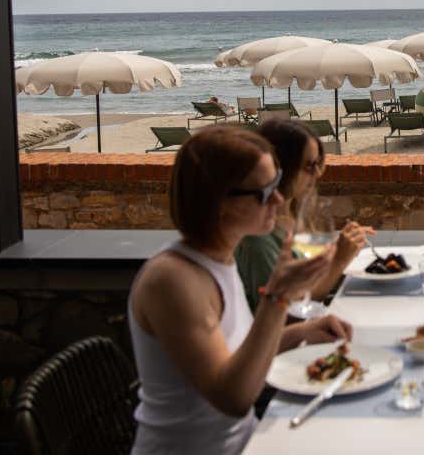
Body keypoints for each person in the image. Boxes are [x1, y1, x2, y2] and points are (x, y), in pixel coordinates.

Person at [127, 126, 348, 455]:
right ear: (218, 202)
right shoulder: (172, 280)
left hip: (247, 441)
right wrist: (277, 297)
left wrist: (302, 331)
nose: (277, 198)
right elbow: (233, 397)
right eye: (263, 192)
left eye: (276, 184)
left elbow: (236, 353)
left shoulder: (221, 260)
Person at [235, 119, 373, 314]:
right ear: (280, 167)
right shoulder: (258, 240)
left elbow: (308, 279)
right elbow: (284, 315)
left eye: (318, 163)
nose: (317, 173)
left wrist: (342, 249)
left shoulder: (294, 213)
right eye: (309, 166)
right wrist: (339, 260)